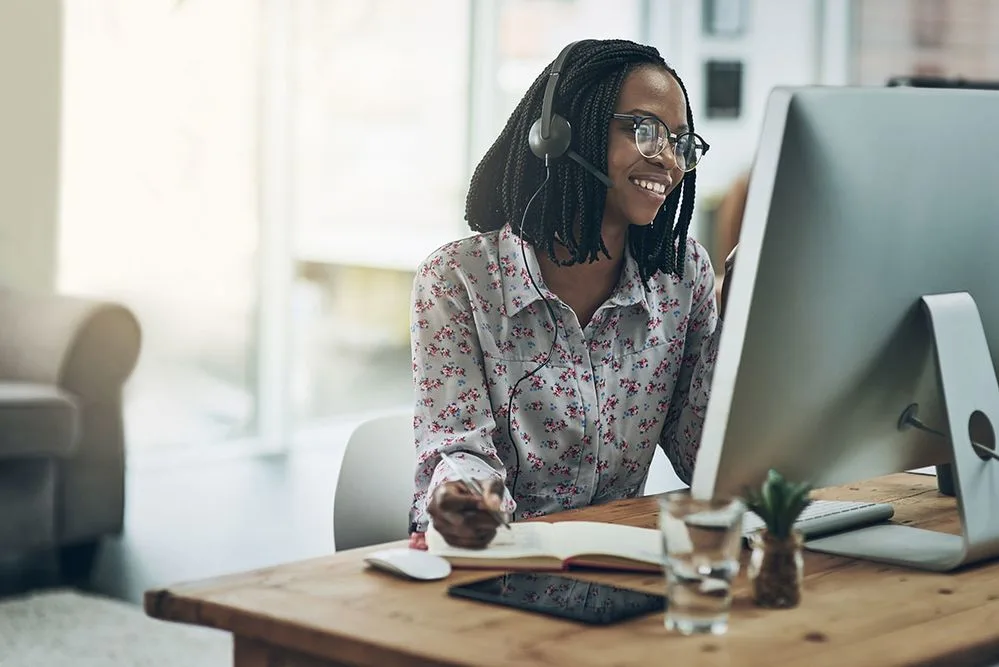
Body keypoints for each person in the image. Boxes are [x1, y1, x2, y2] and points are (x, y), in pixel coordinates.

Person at [408, 39, 734, 550]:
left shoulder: (681, 275)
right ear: (560, 133)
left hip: (625, 579)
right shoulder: (458, 280)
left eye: (680, 141)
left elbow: (700, 459)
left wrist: (740, 332)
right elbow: (457, 448)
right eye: (645, 131)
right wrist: (469, 499)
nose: (669, 160)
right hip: (498, 580)